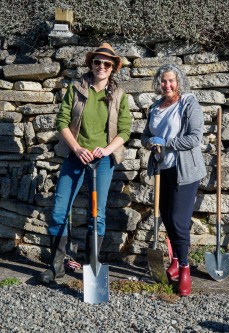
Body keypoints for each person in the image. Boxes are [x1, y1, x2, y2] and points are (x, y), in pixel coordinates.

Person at [40, 42, 131, 284]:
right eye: (97, 62)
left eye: (106, 64)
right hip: (75, 157)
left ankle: (92, 267)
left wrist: (106, 150)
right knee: (60, 210)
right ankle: (56, 265)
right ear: (91, 64)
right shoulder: (76, 88)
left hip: (102, 161)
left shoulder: (119, 95)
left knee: (96, 214)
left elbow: (125, 130)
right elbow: (61, 121)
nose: (101, 66)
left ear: (112, 68)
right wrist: (78, 148)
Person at [141, 64, 206, 296]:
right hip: (163, 169)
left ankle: (186, 268)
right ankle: (176, 260)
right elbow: (145, 136)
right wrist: (150, 142)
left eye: (171, 81)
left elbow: (194, 138)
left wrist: (165, 142)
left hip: (185, 171)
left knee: (179, 219)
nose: (167, 85)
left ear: (179, 82)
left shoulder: (189, 103)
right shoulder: (156, 106)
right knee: (167, 216)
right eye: (163, 81)